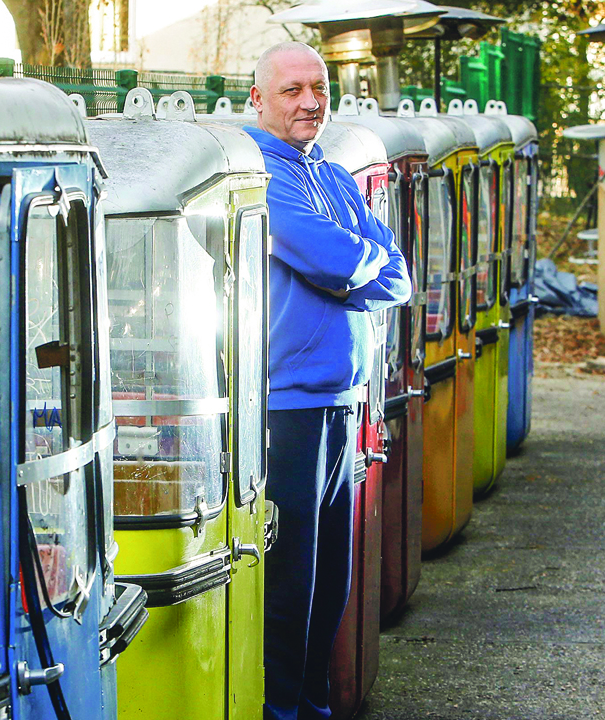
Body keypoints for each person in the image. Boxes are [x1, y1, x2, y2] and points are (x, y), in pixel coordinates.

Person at [243, 42, 412, 720]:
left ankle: (313, 707)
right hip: (286, 409)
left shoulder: (335, 176)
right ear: (258, 99)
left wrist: (355, 265)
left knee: (332, 587)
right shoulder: (262, 173)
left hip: (344, 402)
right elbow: (328, 258)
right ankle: (283, 711)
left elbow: (394, 274)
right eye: (292, 90)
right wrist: (356, 265)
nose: (310, 101)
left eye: (319, 86)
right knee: (290, 587)